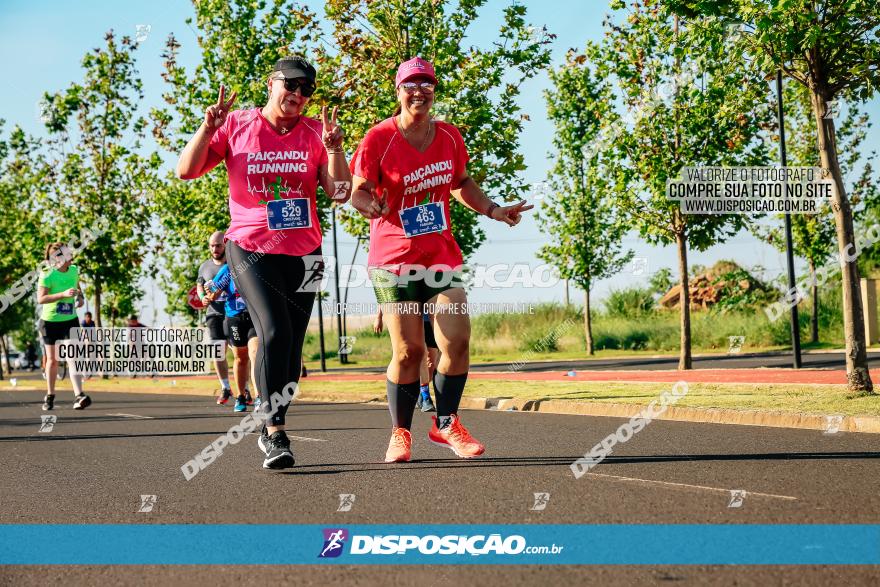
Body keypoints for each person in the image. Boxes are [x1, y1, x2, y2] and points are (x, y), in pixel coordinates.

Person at [351, 57, 533, 463]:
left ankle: (446, 422)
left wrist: (493, 210)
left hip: (440, 255)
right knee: (409, 352)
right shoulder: (379, 138)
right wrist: (372, 207)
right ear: (398, 92)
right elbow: (356, 190)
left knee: (457, 341)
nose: (419, 92)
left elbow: (461, 182)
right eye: (411, 85)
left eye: (427, 85)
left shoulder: (449, 136)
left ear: (434, 90)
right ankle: (400, 433)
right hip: (392, 259)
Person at [176, 55, 351, 469]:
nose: (298, 94)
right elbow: (186, 170)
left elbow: (340, 192)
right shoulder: (237, 124)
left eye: (307, 89)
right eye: (291, 84)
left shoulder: (315, 132)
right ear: (271, 83)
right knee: (272, 330)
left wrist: (336, 148)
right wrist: (208, 128)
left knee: (292, 346)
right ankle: (273, 430)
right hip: (252, 248)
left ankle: (276, 421)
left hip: (306, 252)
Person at [37, 242, 91, 411]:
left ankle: (79, 395)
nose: (71, 255)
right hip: (50, 322)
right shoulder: (47, 274)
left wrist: (80, 297)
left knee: (73, 357)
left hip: (70, 320)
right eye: (67, 253)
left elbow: (77, 286)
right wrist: (62, 294)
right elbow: (41, 299)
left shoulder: (74, 270)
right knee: (53, 361)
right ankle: (50, 395)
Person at [204, 263, 259, 412]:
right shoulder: (229, 269)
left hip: (255, 316)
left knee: (255, 353)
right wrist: (209, 294)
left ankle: (259, 396)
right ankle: (240, 396)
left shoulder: (259, 264)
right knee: (241, 357)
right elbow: (214, 294)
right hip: (234, 317)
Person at [374, 308, 435, 412]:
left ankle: (420, 390)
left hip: (433, 318)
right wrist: (379, 317)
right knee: (422, 356)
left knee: (432, 362)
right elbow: (385, 294)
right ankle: (426, 397)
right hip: (414, 318)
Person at [196, 231, 233, 404]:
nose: (215, 249)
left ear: (225, 245)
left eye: (218, 245)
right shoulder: (204, 266)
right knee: (218, 353)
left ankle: (245, 389)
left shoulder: (234, 264)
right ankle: (225, 387)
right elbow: (199, 286)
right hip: (213, 314)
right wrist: (202, 296)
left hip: (233, 313)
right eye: (212, 245)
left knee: (241, 354)